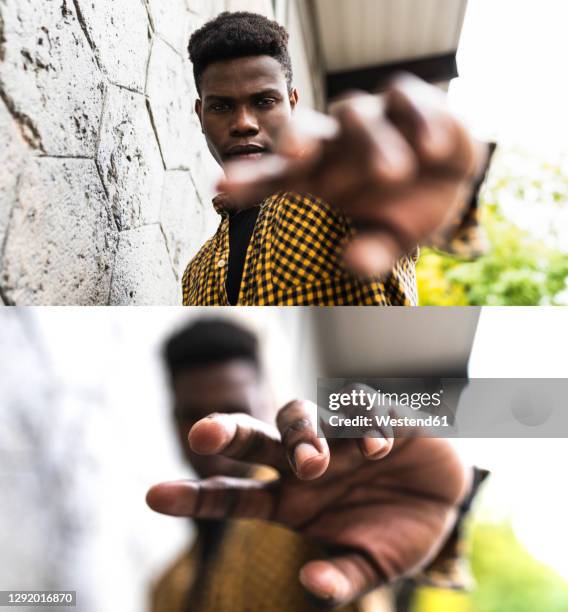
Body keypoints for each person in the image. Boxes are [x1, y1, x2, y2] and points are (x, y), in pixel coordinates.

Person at [147, 318, 487, 612]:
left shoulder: (316, 510)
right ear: (172, 420)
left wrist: (433, 500)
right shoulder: (165, 587)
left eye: (234, 408)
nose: (213, 435)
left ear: (267, 402)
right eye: (192, 415)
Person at [182, 12, 491, 306]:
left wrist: (443, 169)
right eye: (221, 107)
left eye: (264, 101)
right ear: (200, 114)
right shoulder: (195, 275)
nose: (244, 123)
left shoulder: (348, 195)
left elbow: (456, 230)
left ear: (292, 103)